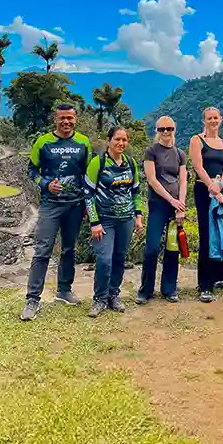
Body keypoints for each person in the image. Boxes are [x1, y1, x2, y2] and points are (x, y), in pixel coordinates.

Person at [21, 103, 94, 321]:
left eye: (70, 118)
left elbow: (89, 174)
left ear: (75, 119)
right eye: (62, 118)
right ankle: (32, 299)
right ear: (56, 119)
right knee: (42, 250)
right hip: (50, 204)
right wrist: (45, 184)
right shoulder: (43, 142)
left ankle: (64, 290)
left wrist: (88, 204)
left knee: (69, 249)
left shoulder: (83, 142)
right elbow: (31, 170)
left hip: (75, 205)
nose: (66, 122)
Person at [84, 126, 145, 316]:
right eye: (117, 139)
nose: (121, 143)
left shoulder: (130, 163)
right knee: (104, 260)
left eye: (124, 140)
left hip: (126, 220)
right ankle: (99, 299)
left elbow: (136, 192)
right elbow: (88, 193)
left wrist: (138, 216)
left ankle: (113, 295)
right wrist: (94, 222)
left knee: (119, 258)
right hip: (104, 220)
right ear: (109, 140)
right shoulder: (98, 163)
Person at [137, 116, 187, 305]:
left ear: (174, 129)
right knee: (152, 248)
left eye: (169, 128)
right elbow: (152, 180)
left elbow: (183, 180)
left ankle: (169, 289)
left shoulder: (180, 154)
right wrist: (171, 200)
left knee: (172, 248)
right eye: (162, 129)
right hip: (158, 204)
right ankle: (146, 290)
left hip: (176, 207)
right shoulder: (151, 152)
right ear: (156, 131)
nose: (166, 132)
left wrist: (180, 205)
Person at [189, 106, 223, 303]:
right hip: (204, 190)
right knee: (207, 233)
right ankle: (205, 284)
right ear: (204, 121)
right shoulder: (197, 140)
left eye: (216, 118)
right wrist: (212, 187)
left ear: (221, 119)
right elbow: (198, 166)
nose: (213, 121)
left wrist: (220, 186)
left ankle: (218, 276)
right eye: (209, 118)